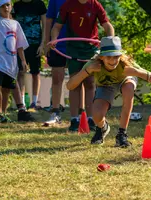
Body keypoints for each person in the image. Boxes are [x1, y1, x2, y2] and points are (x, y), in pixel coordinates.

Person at [67, 36, 151, 147]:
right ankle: (102, 128)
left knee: (129, 88)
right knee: (96, 115)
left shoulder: (126, 63)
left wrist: (137, 72)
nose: (113, 61)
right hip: (106, 85)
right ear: (101, 57)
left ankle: (122, 134)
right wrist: (87, 71)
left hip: (125, 81)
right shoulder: (93, 64)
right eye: (109, 57)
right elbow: (70, 86)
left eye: (116, 57)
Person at [50, 0, 114, 131]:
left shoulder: (95, 4)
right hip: (73, 49)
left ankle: (90, 119)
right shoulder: (68, 4)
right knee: (74, 82)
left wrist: (110, 41)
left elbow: (107, 25)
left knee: (90, 83)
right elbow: (57, 26)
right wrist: (54, 39)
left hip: (90, 48)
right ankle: (74, 119)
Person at [13, 0, 47, 109]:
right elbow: (11, 24)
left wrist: (43, 44)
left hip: (35, 44)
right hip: (20, 45)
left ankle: (35, 102)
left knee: (35, 73)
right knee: (20, 72)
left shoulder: (39, 4)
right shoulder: (17, 5)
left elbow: (45, 25)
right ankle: (21, 102)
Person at [43, 0, 67, 126]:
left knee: (81, 80)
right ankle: (55, 111)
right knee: (57, 78)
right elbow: (48, 20)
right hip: (57, 44)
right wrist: (47, 42)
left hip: (78, 45)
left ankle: (82, 113)